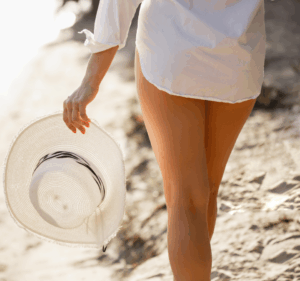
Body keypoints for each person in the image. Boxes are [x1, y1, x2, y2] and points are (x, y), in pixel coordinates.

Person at [63, 0, 266, 280]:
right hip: (239, 53)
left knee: (186, 199)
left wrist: (91, 81)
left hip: (171, 46)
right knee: (205, 192)